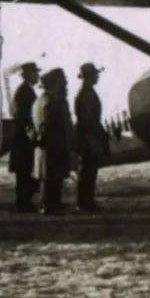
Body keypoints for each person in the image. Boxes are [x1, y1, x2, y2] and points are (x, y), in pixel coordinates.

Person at [33, 68, 76, 216]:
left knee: (51, 176)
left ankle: (52, 204)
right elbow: (49, 124)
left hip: (48, 145)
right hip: (53, 145)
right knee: (51, 176)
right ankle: (49, 206)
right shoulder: (51, 101)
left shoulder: (40, 100)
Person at [74, 62, 109, 212]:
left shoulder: (85, 93)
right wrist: (100, 134)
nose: (98, 77)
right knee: (88, 172)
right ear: (89, 77)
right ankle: (85, 203)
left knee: (88, 171)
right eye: (96, 74)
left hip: (87, 137)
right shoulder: (86, 95)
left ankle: (85, 202)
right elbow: (89, 120)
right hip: (89, 138)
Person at [9, 62, 41, 213]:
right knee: (24, 171)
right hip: (24, 138)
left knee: (25, 171)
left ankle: (25, 202)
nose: (38, 76)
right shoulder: (25, 92)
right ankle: (24, 204)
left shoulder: (25, 90)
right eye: (36, 73)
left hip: (23, 137)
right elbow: (26, 117)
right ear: (30, 75)